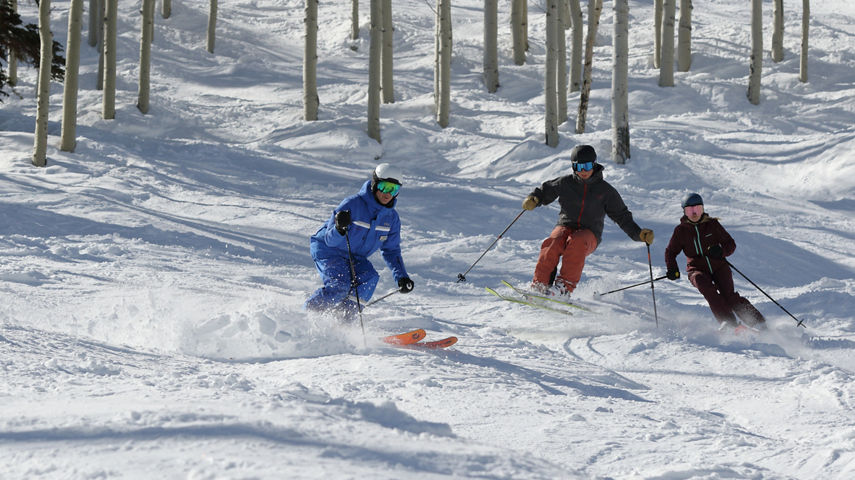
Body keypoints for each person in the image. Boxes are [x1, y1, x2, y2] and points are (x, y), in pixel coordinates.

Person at [522, 145, 654, 296]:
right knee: (552, 242)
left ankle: (563, 289)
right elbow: (546, 190)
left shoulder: (606, 191)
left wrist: (638, 234)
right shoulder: (565, 183)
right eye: (579, 166)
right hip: (565, 225)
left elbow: (622, 216)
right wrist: (534, 198)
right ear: (573, 166)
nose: (583, 171)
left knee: (577, 242)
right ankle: (540, 286)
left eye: (587, 166)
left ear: (594, 164)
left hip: (589, 234)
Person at [305, 163, 414, 322]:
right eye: (384, 187)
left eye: (394, 189)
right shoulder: (352, 204)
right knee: (340, 286)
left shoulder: (391, 219)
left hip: (355, 257)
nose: (387, 193)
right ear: (375, 184)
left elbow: (391, 251)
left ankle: (343, 321)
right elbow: (330, 239)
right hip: (329, 250)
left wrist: (402, 277)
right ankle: (307, 315)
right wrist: (339, 229)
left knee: (369, 278)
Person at [664, 193, 766, 329]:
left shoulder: (712, 225)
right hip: (697, 269)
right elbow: (670, 252)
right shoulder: (681, 231)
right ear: (684, 212)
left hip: (719, 266)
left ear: (703, 209)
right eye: (690, 210)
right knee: (708, 290)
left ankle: (758, 323)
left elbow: (730, 244)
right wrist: (672, 269)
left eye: (698, 209)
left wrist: (721, 251)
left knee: (730, 296)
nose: (694, 213)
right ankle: (730, 324)